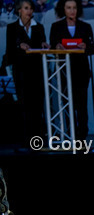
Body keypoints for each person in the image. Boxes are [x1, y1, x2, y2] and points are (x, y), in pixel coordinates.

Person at [49, 0, 94, 139]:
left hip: (81, 71)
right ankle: (70, 134)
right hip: (63, 71)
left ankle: (82, 136)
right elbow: (52, 47)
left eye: (74, 8)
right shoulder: (56, 26)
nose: (72, 11)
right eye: (69, 8)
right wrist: (57, 47)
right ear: (63, 9)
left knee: (81, 106)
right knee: (68, 105)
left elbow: (92, 50)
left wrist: (85, 47)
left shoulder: (86, 26)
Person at [3, 0, 48, 141]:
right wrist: (19, 46)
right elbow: (9, 52)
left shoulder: (39, 27)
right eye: (26, 8)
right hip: (21, 72)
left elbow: (41, 44)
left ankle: (39, 136)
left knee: (38, 103)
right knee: (25, 104)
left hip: (37, 71)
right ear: (19, 11)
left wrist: (43, 44)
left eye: (31, 9)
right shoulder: (12, 28)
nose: (29, 11)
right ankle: (27, 138)